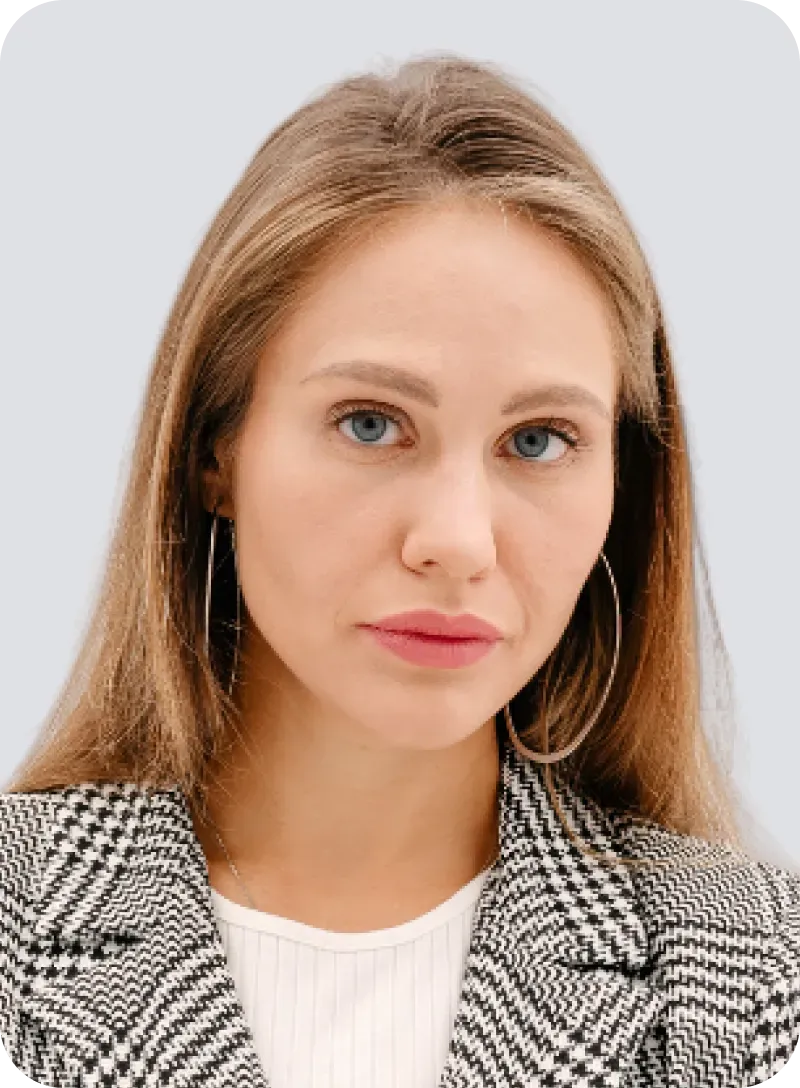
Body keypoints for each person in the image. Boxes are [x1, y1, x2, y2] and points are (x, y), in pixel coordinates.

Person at [1, 53, 798, 1088]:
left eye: (539, 440)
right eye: (370, 423)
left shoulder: (754, 983)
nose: (458, 541)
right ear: (213, 451)